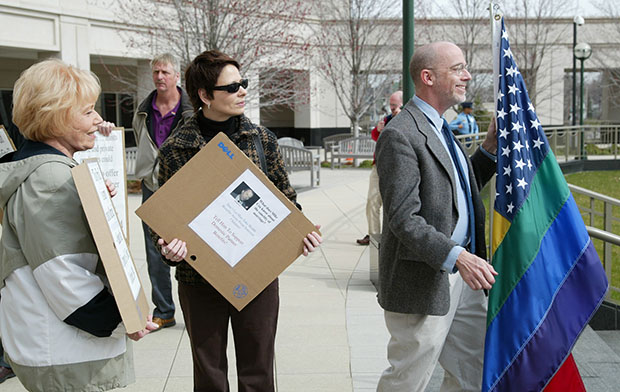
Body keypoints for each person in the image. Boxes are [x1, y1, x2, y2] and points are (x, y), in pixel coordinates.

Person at [154, 50, 322, 391]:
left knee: (258, 373)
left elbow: (287, 203)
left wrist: (300, 234)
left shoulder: (262, 141)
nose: (243, 91)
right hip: (199, 279)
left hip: (256, 274)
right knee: (209, 376)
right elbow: (165, 223)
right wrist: (168, 249)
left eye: (243, 83)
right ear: (205, 95)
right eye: (232, 87)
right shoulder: (176, 149)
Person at [0, 59, 157, 392]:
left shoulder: (49, 172)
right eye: (87, 112)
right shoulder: (51, 179)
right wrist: (123, 321)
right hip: (67, 353)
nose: (99, 119)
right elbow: (63, 274)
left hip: (61, 348)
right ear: (53, 117)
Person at [375, 42, 498, 392]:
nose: (468, 75)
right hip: (423, 281)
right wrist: (457, 256)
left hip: (463, 279)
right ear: (428, 77)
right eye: (458, 68)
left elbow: (453, 191)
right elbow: (404, 218)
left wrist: (487, 152)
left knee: (470, 372)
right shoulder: (401, 133)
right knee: (408, 379)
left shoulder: (441, 127)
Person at [132, 53, 193, 330]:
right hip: (152, 188)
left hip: (185, 189)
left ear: (176, 76)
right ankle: (164, 311)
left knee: (191, 246)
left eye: (165, 72)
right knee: (154, 251)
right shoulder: (143, 110)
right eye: (156, 72)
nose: (159, 77)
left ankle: (198, 307)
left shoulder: (192, 111)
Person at [357, 90, 402, 245]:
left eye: (395, 105)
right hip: (379, 167)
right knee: (372, 201)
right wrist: (378, 130)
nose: (392, 109)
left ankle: (391, 239)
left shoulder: (406, 119)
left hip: (396, 169)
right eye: (390, 105)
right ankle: (374, 235)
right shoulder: (386, 119)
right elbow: (375, 137)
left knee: (393, 205)